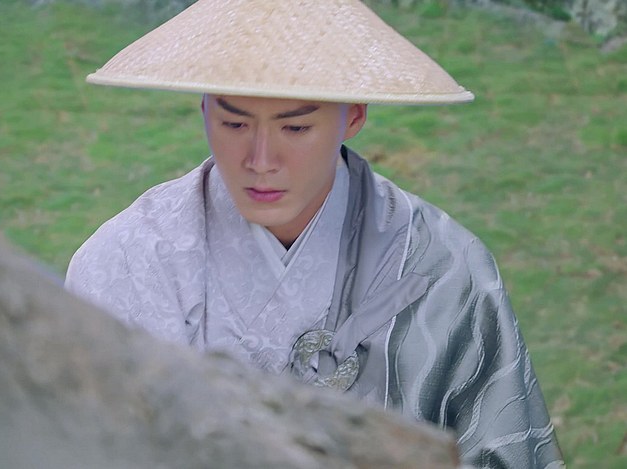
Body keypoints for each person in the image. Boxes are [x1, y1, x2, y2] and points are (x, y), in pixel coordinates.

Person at [65, 0, 564, 467]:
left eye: (296, 128)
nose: (261, 161)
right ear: (204, 108)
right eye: (234, 124)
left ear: (354, 114)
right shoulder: (126, 260)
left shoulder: (441, 267)